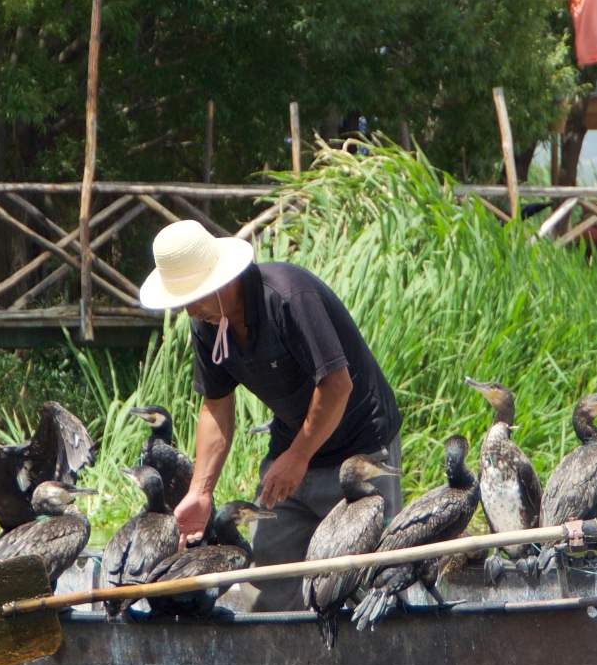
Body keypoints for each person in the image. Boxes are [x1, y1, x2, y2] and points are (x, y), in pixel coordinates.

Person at [135, 219, 402, 611]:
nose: (190, 308)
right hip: (290, 453)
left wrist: (298, 457)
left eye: (194, 295)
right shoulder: (208, 322)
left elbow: (336, 386)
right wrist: (200, 492)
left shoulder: (289, 297)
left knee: (371, 588)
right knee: (267, 590)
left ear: (222, 279)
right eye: (182, 300)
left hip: (357, 451)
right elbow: (216, 406)